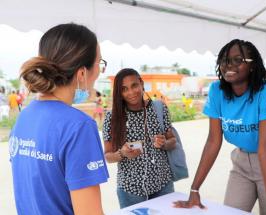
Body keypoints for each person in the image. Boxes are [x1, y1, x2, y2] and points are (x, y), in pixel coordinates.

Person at [174, 39, 266, 215]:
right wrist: (194, 190)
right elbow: (213, 141)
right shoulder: (217, 90)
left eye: (238, 60)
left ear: (252, 66)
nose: (228, 65)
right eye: (224, 60)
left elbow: (265, 148)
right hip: (241, 161)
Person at [9, 23, 109, 215]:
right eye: (100, 63)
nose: (100, 71)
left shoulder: (25, 117)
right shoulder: (79, 126)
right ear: (82, 73)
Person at [102, 68, 176, 208]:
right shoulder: (112, 117)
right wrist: (122, 153)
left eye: (134, 85)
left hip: (163, 184)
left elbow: (173, 141)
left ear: (141, 83)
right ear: (119, 93)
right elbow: (107, 156)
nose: (131, 92)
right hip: (130, 190)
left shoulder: (159, 108)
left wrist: (164, 143)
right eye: (124, 89)